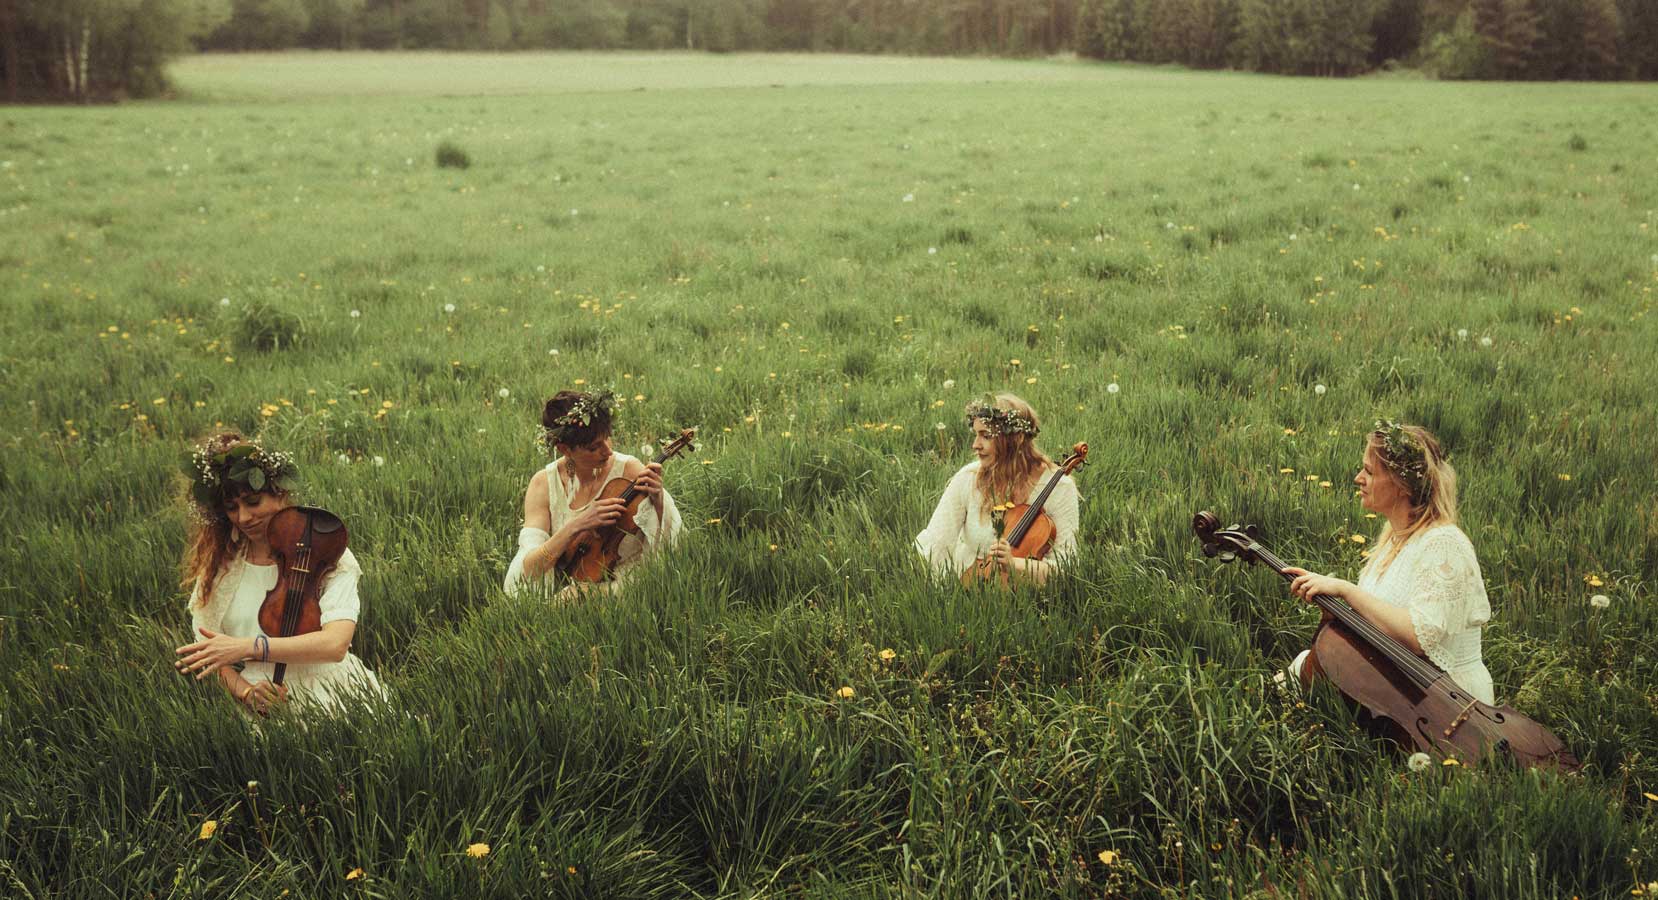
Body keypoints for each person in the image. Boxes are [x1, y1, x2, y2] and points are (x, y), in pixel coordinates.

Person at [1282, 420, 1495, 705]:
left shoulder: (1443, 544)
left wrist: (1346, 591)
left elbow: (1419, 635)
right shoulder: (1393, 540)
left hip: (1449, 708)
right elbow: (1380, 623)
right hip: (1408, 694)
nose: (1358, 478)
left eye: (1369, 471)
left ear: (1402, 484)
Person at [173, 433, 386, 714]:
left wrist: (248, 647)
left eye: (253, 501)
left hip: (333, 688)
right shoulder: (221, 565)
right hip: (262, 698)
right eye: (231, 508)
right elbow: (213, 654)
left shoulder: (326, 553)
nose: (244, 517)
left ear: (280, 493)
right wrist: (246, 691)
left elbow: (335, 644)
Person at [504, 389, 682, 598]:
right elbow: (530, 568)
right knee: (524, 587)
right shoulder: (543, 484)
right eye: (594, 447)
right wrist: (577, 524)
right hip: (574, 574)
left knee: (569, 599)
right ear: (565, 449)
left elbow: (669, 543)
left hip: (625, 578)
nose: (607, 451)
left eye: (608, 438)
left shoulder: (630, 470)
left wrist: (659, 500)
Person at [915, 393, 1079, 585]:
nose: (975, 445)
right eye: (976, 435)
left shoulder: (1059, 488)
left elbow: (1065, 567)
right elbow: (937, 543)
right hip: (969, 580)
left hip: (1029, 591)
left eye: (985, 436)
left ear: (1016, 439)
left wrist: (1014, 564)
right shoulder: (968, 479)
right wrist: (946, 593)